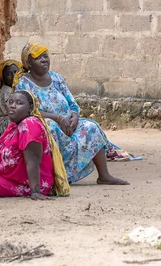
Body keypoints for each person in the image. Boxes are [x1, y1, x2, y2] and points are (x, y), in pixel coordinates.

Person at [14, 43, 130, 185]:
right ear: (29, 63)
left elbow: (72, 103)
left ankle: (104, 175)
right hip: (45, 123)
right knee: (50, 127)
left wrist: (74, 117)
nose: (44, 60)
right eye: (38, 58)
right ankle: (54, 178)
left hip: (68, 125)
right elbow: (27, 111)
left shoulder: (56, 78)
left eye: (45, 56)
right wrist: (57, 118)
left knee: (90, 126)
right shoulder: (24, 83)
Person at [0, 90, 59, 199]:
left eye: (19, 103)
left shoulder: (30, 124)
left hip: (28, 184)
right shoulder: (14, 126)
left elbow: (33, 160)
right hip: (14, 178)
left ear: (30, 107)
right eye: (10, 102)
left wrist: (35, 191)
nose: (12, 106)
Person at [0, 60, 22, 142]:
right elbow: (17, 112)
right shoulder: (7, 92)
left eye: (15, 72)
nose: (13, 76)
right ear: (3, 78)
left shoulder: (15, 89)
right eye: (9, 74)